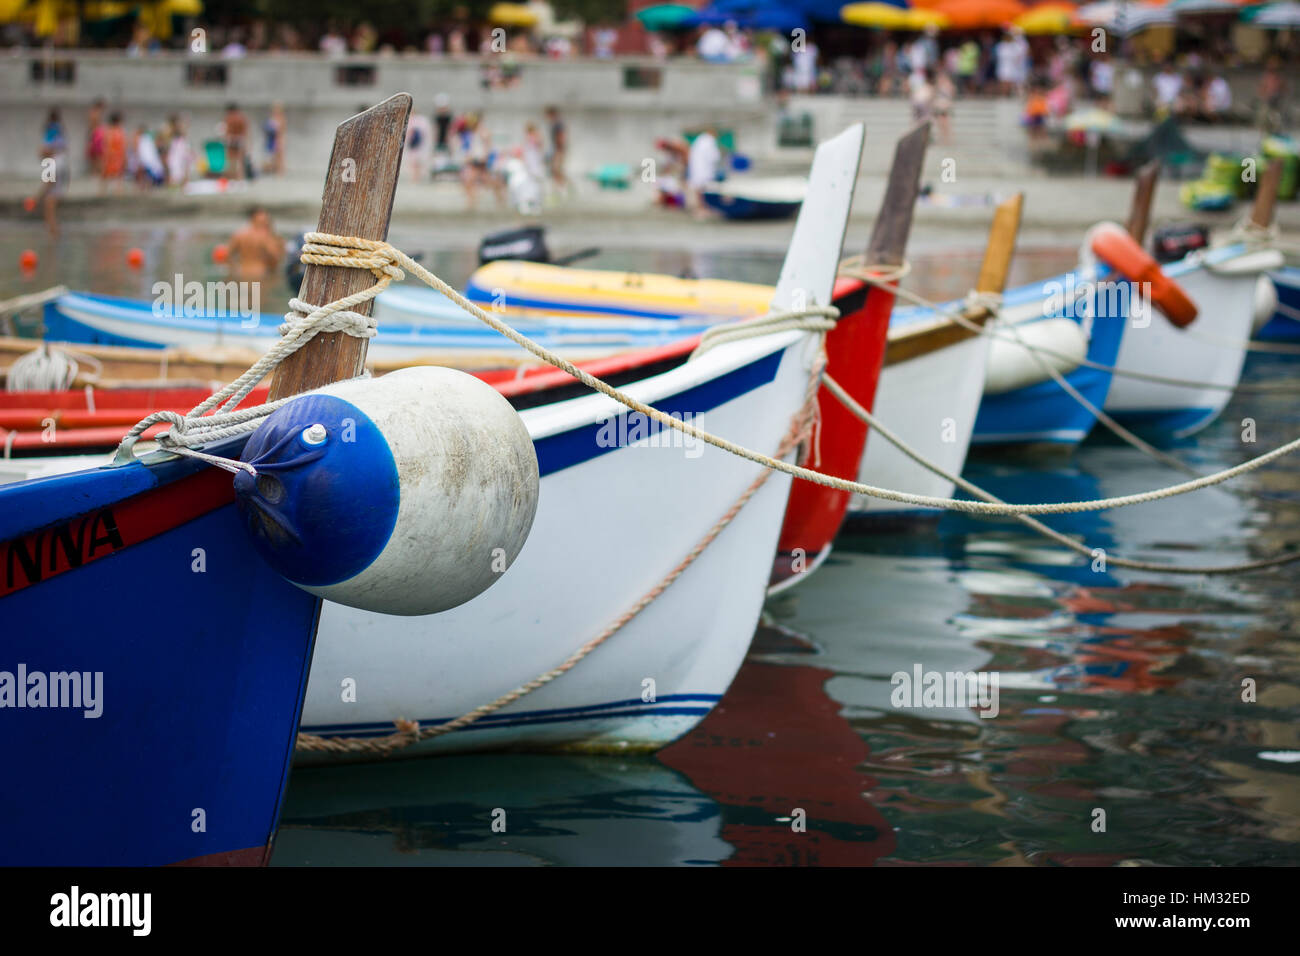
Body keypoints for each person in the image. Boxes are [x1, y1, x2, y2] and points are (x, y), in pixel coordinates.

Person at [227, 207, 284, 283]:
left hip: (242, 273)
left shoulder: (239, 234)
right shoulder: (265, 237)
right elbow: (274, 257)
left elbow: (228, 255)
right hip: (261, 274)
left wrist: (234, 270)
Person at [686, 125, 721, 217]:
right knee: (704, 189)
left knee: (698, 188)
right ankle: (704, 208)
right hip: (704, 170)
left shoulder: (699, 140)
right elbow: (714, 157)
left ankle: (700, 208)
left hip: (697, 169)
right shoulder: (709, 141)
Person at [99, 111, 127, 194]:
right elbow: (123, 145)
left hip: (112, 155)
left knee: (106, 173)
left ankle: (104, 189)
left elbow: (105, 144)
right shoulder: (119, 131)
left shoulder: (109, 131)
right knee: (117, 173)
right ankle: (118, 189)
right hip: (116, 155)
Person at [222, 103, 249, 180]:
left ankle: (233, 177)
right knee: (239, 161)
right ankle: (239, 178)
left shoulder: (228, 118)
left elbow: (226, 132)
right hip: (239, 140)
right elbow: (245, 132)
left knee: (232, 161)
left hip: (232, 140)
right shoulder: (242, 118)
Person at [165, 114, 194, 187]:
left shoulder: (176, 130)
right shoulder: (172, 130)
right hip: (177, 149)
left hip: (179, 149)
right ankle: (177, 183)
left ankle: (183, 183)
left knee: (183, 166)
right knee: (176, 167)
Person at [545, 105, 568, 192]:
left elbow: (561, 136)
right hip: (556, 149)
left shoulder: (558, 123)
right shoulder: (554, 123)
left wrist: (560, 150)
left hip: (558, 149)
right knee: (555, 169)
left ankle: (563, 187)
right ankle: (560, 187)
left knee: (557, 169)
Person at [264, 102, 286, 175]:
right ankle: (274, 169)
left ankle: (280, 170)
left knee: (279, 155)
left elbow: (281, 130)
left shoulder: (282, 118)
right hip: (271, 138)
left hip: (279, 138)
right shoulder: (272, 118)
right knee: (273, 155)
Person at [85, 98, 105, 177]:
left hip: (95, 133)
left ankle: (96, 171)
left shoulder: (93, 113)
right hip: (96, 134)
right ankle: (97, 171)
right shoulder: (95, 113)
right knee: (97, 154)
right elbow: (93, 125)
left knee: (95, 154)